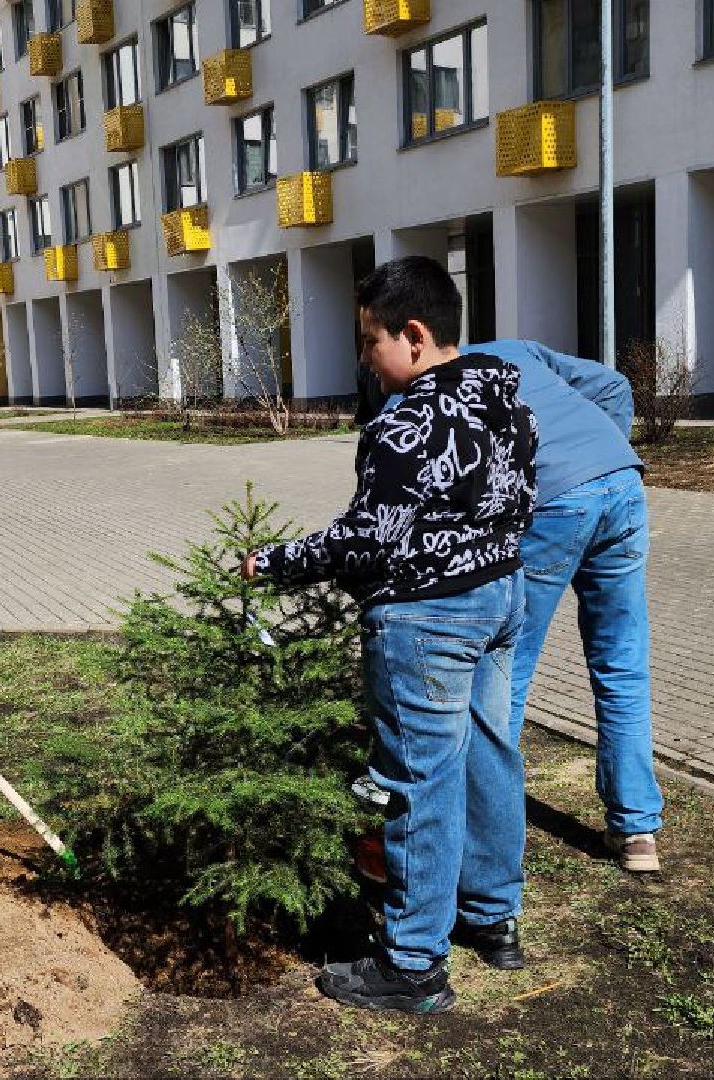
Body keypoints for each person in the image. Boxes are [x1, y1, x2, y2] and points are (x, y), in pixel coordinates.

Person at [242, 256, 538, 1014]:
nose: (367, 359)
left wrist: (272, 562)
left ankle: (412, 965)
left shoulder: (406, 423)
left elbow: (368, 538)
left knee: (420, 782)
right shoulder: (509, 403)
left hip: (427, 618)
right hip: (500, 598)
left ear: (413, 335)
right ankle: (492, 918)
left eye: (370, 341)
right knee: (491, 754)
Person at [462, 339, 664, 872]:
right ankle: (637, 829)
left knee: (504, 668)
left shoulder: (416, 391)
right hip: (620, 482)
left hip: (549, 504)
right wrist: (597, 460)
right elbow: (613, 385)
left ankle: (486, 836)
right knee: (621, 662)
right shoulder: (513, 348)